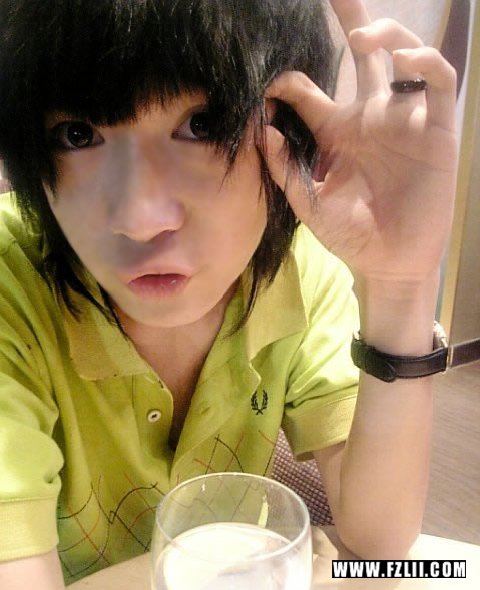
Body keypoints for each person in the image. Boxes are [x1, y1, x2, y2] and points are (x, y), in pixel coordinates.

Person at [0, 0, 457, 588]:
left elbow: (382, 545)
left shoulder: (298, 269)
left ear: (293, 129)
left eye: (204, 125)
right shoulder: (12, 287)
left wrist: (400, 287)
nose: (141, 220)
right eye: (78, 134)